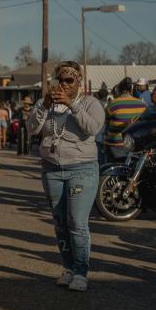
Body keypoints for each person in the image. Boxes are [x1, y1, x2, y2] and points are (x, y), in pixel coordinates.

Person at [29, 61, 104, 292]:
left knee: (77, 222)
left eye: (69, 80)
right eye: (60, 80)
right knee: (60, 223)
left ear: (79, 81)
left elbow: (93, 128)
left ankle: (81, 271)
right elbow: (32, 128)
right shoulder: (48, 103)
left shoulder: (91, 103)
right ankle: (68, 268)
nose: (63, 84)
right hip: (52, 170)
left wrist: (72, 105)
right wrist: (43, 106)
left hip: (81, 169)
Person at [103, 78, 147, 162]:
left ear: (119, 90)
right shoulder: (142, 105)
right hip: (135, 145)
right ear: (130, 89)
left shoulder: (113, 104)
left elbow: (106, 123)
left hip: (115, 145)